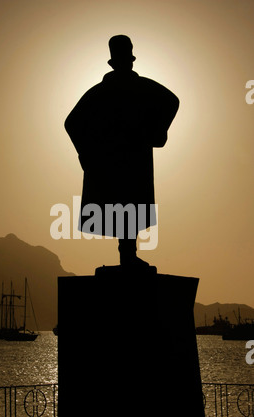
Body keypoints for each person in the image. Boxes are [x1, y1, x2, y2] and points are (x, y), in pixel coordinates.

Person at [65, 35, 179, 268]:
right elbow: (72, 123)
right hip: (121, 161)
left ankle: (127, 254)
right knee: (126, 205)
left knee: (128, 205)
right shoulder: (121, 90)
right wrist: (85, 154)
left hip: (124, 161)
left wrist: (157, 133)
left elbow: (172, 101)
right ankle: (127, 255)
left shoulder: (103, 92)